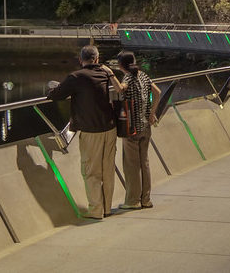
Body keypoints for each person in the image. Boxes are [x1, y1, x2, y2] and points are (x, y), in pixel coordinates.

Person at [46, 44, 117, 219]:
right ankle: (107, 208)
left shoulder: (76, 77)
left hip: (91, 131)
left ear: (80, 60)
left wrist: (50, 88)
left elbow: (56, 94)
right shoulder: (105, 73)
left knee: (91, 171)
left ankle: (95, 210)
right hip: (110, 128)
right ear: (97, 59)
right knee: (107, 169)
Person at [101, 51, 161, 210]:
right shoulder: (143, 75)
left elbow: (120, 89)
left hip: (131, 128)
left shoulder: (128, 77)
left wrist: (110, 74)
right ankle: (146, 199)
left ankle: (133, 201)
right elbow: (158, 93)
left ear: (121, 65)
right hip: (145, 127)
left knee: (131, 165)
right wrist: (152, 113)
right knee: (144, 163)